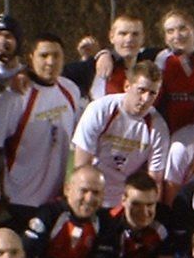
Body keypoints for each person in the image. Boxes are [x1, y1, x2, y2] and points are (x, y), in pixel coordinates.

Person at [0, 33, 82, 227]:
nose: (51, 62)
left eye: (56, 55)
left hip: (55, 201)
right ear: (30, 58)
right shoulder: (16, 97)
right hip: (18, 200)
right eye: (44, 55)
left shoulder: (71, 91)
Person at [71, 60, 169, 204]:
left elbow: (154, 181)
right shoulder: (99, 110)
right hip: (95, 195)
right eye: (141, 90)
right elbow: (81, 166)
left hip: (127, 202)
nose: (146, 99)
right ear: (127, 86)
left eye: (152, 93)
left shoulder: (158, 126)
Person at [22, 164, 104, 258]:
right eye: (84, 191)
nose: (89, 198)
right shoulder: (50, 213)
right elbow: (28, 251)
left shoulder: (103, 221)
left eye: (96, 192)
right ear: (67, 189)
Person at [91, 172, 170, 258]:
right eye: (136, 204)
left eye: (150, 205)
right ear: (123, 200)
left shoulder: (161, 226)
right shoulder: (103, 222)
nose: (143, 212)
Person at [155, 9, 194, 130]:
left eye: (182, 28)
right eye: (170, 31)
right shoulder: (162, 59)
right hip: (173, 130)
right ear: (165, 38)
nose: (177, 35)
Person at [67, 12, 147, 101]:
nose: (129, 39)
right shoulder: (98, 66)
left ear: (143, 38)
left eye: (135, 34)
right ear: (111, 37)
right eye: (123, 34)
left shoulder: (150, 62)